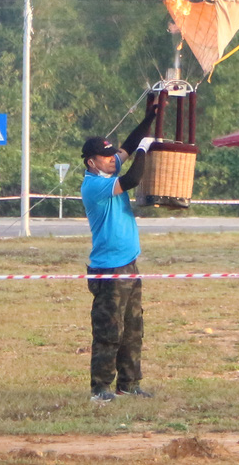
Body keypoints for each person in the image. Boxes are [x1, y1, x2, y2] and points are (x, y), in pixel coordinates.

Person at [79, 92, 163, 404]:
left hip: (129, 264)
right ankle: (100, 389)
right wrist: (145, 148)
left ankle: (129, 384)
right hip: (108, 269)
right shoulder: (95, 186)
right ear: (91, 162)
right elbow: (134, 176)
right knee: (108, 332)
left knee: (133, 330)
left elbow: (128, 145)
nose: (113, 158)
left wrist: (148, 120)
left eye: (112, 155)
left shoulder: (108, 168)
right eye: (106, 156)